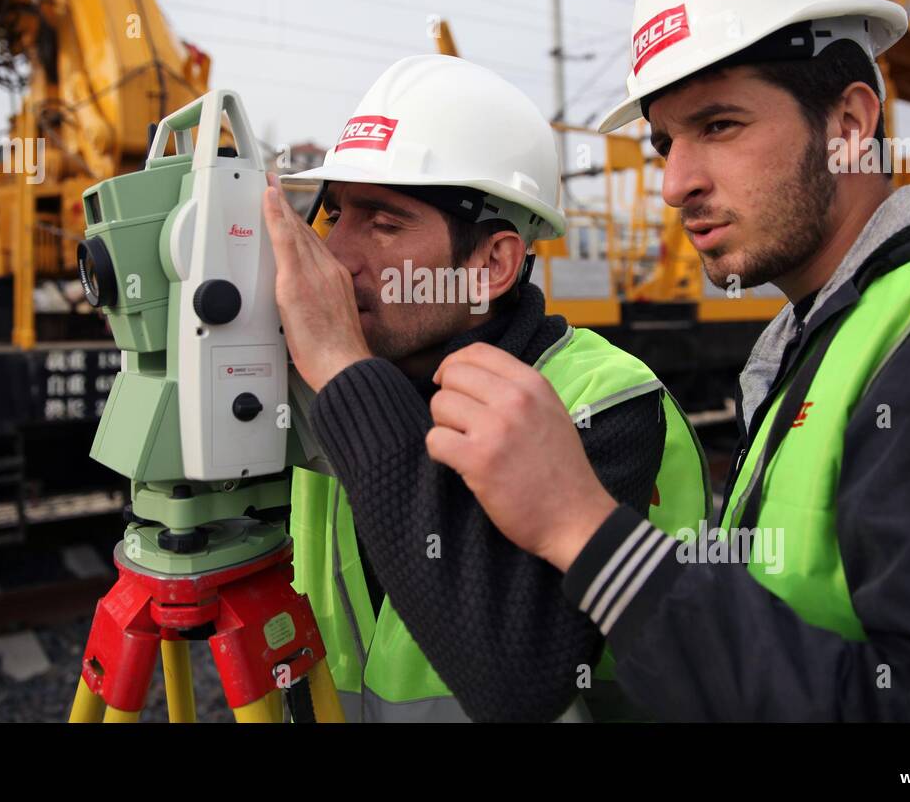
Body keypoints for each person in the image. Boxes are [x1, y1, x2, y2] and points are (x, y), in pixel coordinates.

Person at [427, 0, 910, 720]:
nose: (674, 183)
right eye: (668, 141)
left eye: (719, 126)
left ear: (847, 125)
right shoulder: (823, 329)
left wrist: (587, 532)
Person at [262, 54, 710, 722]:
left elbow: (518, 676)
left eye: (384, 224)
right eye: (334, 216)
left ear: (491, 264)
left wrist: (340, 369)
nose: (338, 256)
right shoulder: (323, 388)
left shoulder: (600, 399)